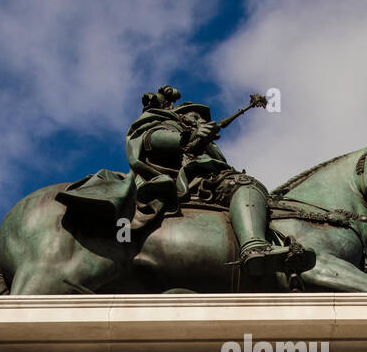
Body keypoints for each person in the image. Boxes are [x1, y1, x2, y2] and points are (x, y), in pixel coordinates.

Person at [56, 85, 312, 276]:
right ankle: (254, 247)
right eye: (195, 116)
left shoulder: (201, 142)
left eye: (202, 118)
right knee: (243, 184)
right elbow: (151, 141)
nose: (201, 120)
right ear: (180, 116)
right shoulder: (160, 124)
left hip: (202, 181)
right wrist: (189, 136)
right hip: (186, 183)